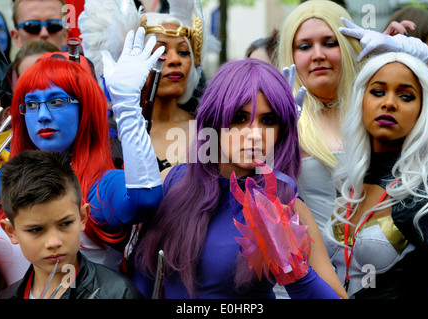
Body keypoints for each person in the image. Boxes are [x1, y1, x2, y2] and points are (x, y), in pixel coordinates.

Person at [129, 58, 347, 299]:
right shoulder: (171, 182)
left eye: (268, 120)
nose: (254, 134)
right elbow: (141, 278)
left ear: (282, 130)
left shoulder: (286, 205)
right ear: (214, 121)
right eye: (239, 118)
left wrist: (294, 271)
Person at [0, 31, 165, 286]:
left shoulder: (101, 187)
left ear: (84, 109)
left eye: (56, 101)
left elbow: (146, 197)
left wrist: (127, 107)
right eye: (31, 104)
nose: (41, 115)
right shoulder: (3, 178)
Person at [324, 51, 428, 298]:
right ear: (361, 100)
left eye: (406, 96)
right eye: (378, 92)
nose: (389, 103)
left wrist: (413, 46)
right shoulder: (347, 181)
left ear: (423, 109)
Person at [79, 0, 219, 171]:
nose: (175, 60)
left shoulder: (211, 128)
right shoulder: (107, 134)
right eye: (160, 51)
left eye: (183, 52)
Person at [0, 150, 143, 299]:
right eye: (36, 230)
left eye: (65, 223)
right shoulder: (5, 297)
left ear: (83, 217)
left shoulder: (118, 294)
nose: (54, 242)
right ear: (11, 232)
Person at [277, 0, 363, 232]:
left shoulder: (373, 109)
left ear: (347, 46)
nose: (318, 55)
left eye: (329, 43)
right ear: (291, 54)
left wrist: (405, 49)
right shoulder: (280, 119)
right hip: (308, 263)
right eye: (305, 47)